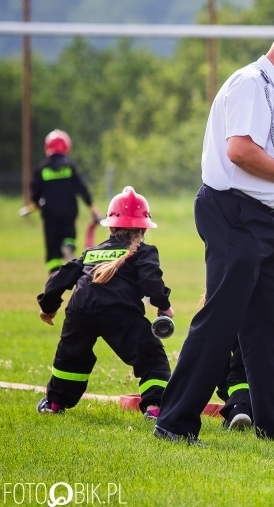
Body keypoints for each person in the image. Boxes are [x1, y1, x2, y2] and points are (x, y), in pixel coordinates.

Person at [154, 19, 274, 444]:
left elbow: (264, 165)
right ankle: (175, 422)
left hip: (263, 219)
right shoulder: (251, 84)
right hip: (232, 213)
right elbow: (240, 153)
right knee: (221, 319)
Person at [36, 186, 172, 420]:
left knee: (71, 356)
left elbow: (63, 274)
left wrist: (48, 307)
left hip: (80, 309)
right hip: (119, 312)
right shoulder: (144, 252)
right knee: (151, 355)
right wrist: (163, 305)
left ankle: (55, 403)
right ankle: (154, 408)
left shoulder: (93, 251)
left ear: (110, 226)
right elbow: (151, 278)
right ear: (144, 227)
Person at [215, 295, 274, 431]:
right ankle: (239, 406)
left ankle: (238, 406)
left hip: (244, 317)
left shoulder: (220, 301)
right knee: (242, 373)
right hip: (269, 321)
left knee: (237, 373)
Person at [26, 129, 102, 274]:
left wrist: (35, 202)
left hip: (49, 214)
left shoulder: (42, 169)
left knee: (52, 246)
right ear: (67, 147)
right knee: (69, 235)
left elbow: (35, 191)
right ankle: (68, 246)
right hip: (68, 211)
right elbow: (81, 188)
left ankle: (53, 276)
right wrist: (91, 206)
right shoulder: (70, 167)